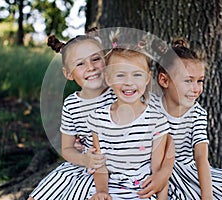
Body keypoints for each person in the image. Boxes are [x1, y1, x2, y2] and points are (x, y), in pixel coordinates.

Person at [150, 38, 222, 199]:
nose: (196, 88)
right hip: (155, 168)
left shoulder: (197, 114)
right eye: (188, 81)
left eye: (200, 81)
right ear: (164, 80)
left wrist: (207, 196)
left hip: (188, 173)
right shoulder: (150, 106)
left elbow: (200, 156)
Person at [28, 31, 117, 200]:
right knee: (43, 192)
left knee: (86, 191)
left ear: (106, 60)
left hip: (115, 164)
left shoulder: (120, 93)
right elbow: (67, 149)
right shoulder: (71, 105)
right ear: (68, 74)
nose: (91, 67)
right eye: (80, 64)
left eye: (96, 59)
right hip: (85, 163)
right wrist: (84, 160)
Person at [86, 42, 175, 200]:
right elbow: (100, 166)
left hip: (143, 190)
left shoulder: (156, 121)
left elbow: (158, 172)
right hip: (110, 187)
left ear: (147, 78)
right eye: (120, 75)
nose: (129, 82)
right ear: (108, 78)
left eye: (137, 74)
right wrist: (102, 192)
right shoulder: (98, 119)